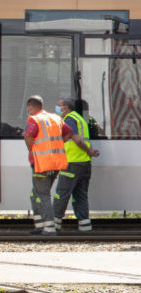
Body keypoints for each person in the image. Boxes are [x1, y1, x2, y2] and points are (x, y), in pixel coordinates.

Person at [23, 95, 70, 236]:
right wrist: (58, 145)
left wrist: (32, 149)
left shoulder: (34, 119)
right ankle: (40, 225)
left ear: (31, 106)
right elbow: (68, 133)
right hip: (55, 163)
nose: (28, 110)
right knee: (35, 194)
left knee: (43, 195)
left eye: (28, 107)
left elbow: (27, 135)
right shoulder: (55, 118)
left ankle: (49, 228)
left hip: (41, 163)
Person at [52, 97, 100, 232]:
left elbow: (77, 140)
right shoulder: (79, 118)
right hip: (85, 163)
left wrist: (89, 151)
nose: (57, 109)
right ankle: (85, 225)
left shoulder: (69, 119)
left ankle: (54, 224)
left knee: (62, 193)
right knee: (80, 194)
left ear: (66, 108)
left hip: (72, 162)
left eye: (59, 106)